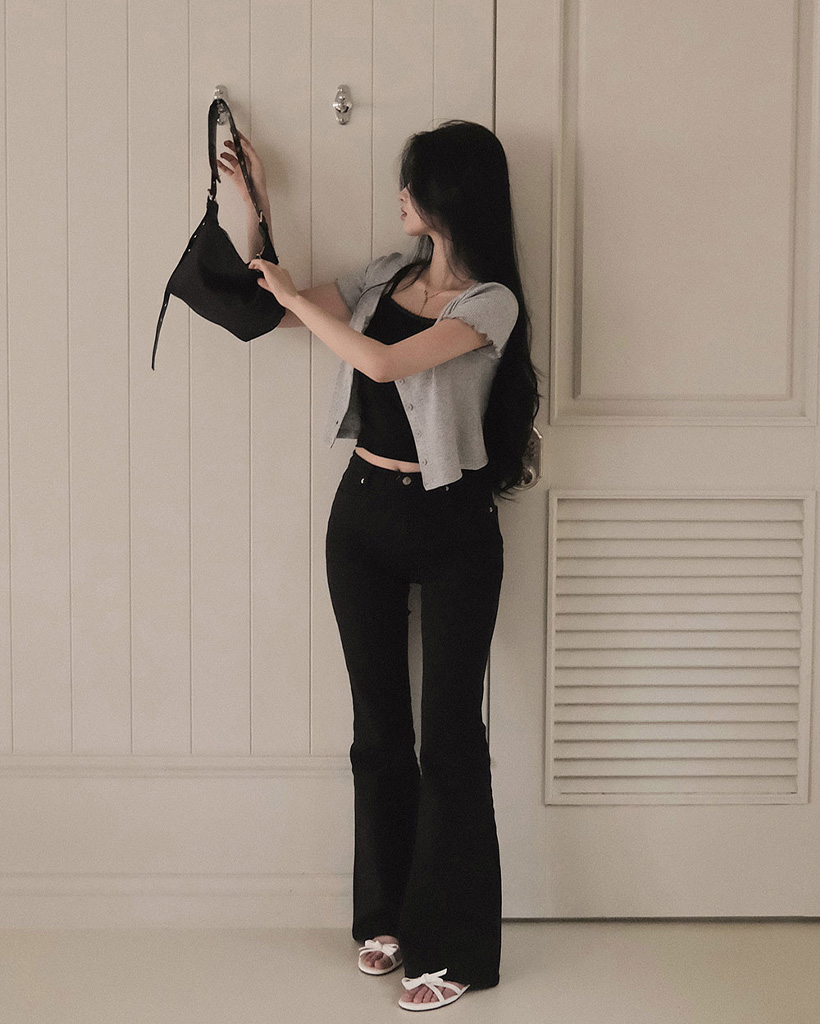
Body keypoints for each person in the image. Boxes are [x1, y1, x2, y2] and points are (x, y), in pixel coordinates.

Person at [218, 119, 541, 1011]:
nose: (400, 195)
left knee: (450, 735)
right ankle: (386, 917)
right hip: (361, 513)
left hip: (453, 523)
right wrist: (259, 210)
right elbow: (279, 304)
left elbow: (384, 362)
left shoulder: (491, 303)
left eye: (412, 183)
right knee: (378, 730)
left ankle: (456, 950)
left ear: (451, 196)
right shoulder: (385, 274)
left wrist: (299, 299)